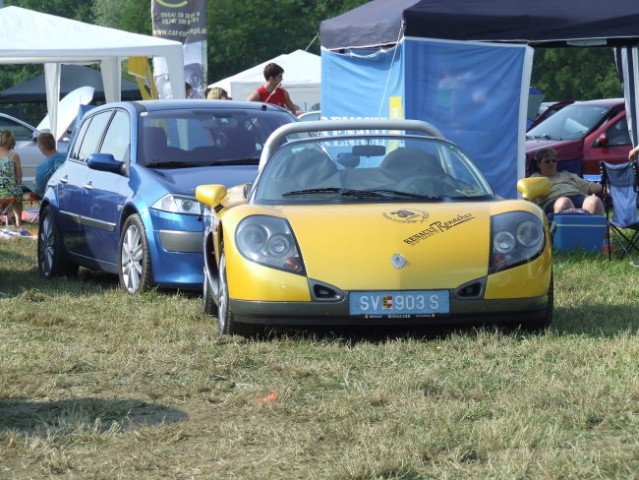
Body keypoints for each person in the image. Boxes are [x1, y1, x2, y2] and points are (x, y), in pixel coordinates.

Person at [530, 148, 604, 215]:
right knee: (565, 202)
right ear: (539, 164)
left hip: (577, 196)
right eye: (547, 161)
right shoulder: (535, 177)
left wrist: (606, 188)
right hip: (553, 201)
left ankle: (594, 229)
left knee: (594, 201)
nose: (551, 163)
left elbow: (588, 186)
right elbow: (529, 195)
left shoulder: (567, 174)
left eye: (554, 161)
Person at [0, 130, 23, 226]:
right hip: (10, 193)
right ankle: (18, 221)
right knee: (18, 195)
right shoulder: (14, 156)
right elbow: (19, 177)